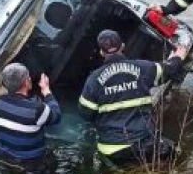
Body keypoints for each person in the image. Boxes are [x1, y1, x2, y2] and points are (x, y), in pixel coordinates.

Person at [78, 30, 187, 163]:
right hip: (142, 144)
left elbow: (85, 113)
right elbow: (169, 70)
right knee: (176, 152)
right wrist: (178, 56)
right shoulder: (144, 68)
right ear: (122, 46)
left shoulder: (93, 80)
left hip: (109, 149)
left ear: (101, 52)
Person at [0, 63, 62, 174]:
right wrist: (46, 91)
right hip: (33, 165)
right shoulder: (37, 109)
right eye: (28, 78)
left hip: (6, 159)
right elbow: (56, 116)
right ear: (25, 83)